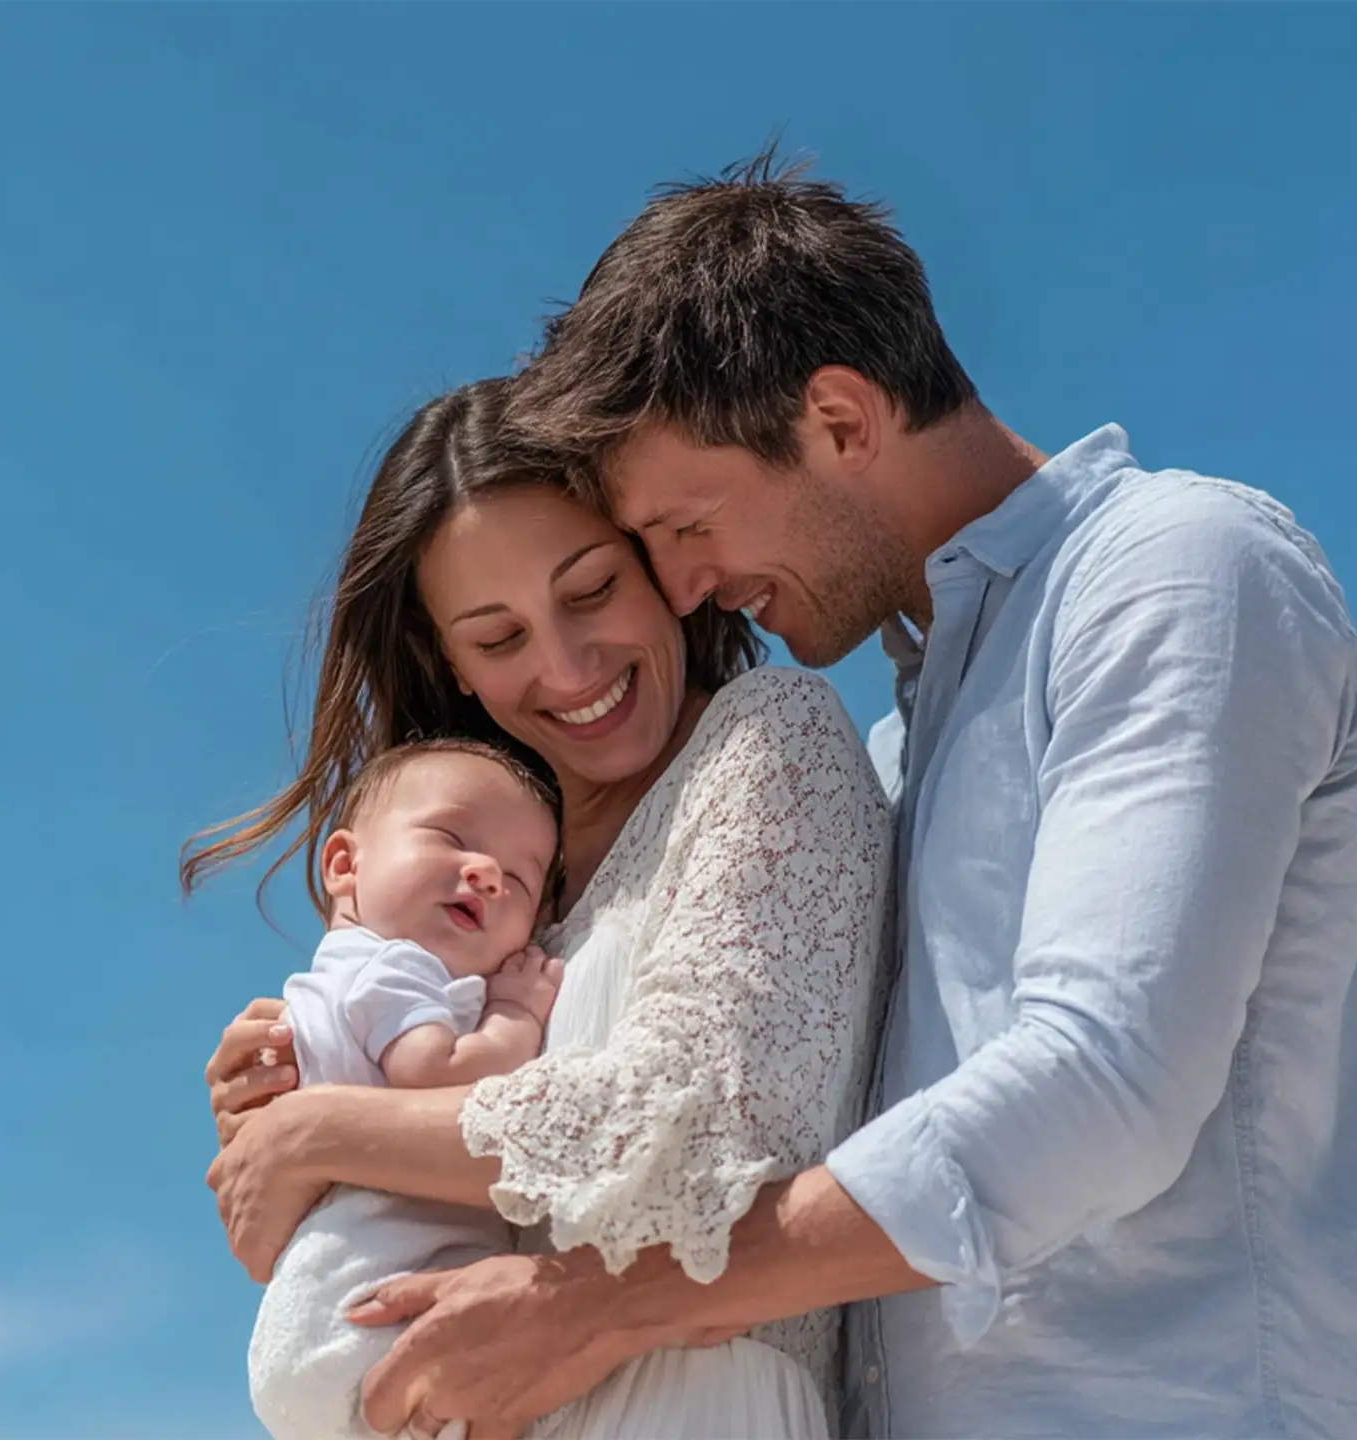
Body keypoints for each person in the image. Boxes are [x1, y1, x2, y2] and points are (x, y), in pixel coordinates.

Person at [211, 152, 1357, 1439]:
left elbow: (1103, 1080)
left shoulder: (1172, 571)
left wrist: (612, 1303)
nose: (679, 586)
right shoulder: (898, 752)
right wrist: (338, 1062)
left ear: (839, 422)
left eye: (684, 526)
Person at [192, 378, 893, 1437]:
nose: (565, 666)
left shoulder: (767, 741)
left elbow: (709, 1128)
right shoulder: (467, 895)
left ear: (660, 562)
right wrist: (286, 1103)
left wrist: (325, 1129)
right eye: (498, 636)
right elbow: (269, 1243)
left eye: (590, 589)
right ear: (451, 667)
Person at [233, 738, 565, 1440]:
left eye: (521, 880)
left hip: (319, 1311)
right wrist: (515, 1015)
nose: (486, 874)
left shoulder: (335, 975)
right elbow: (438, 1075)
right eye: (452, 839)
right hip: (381, 1292)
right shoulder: (398, 968)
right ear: (345, 865)